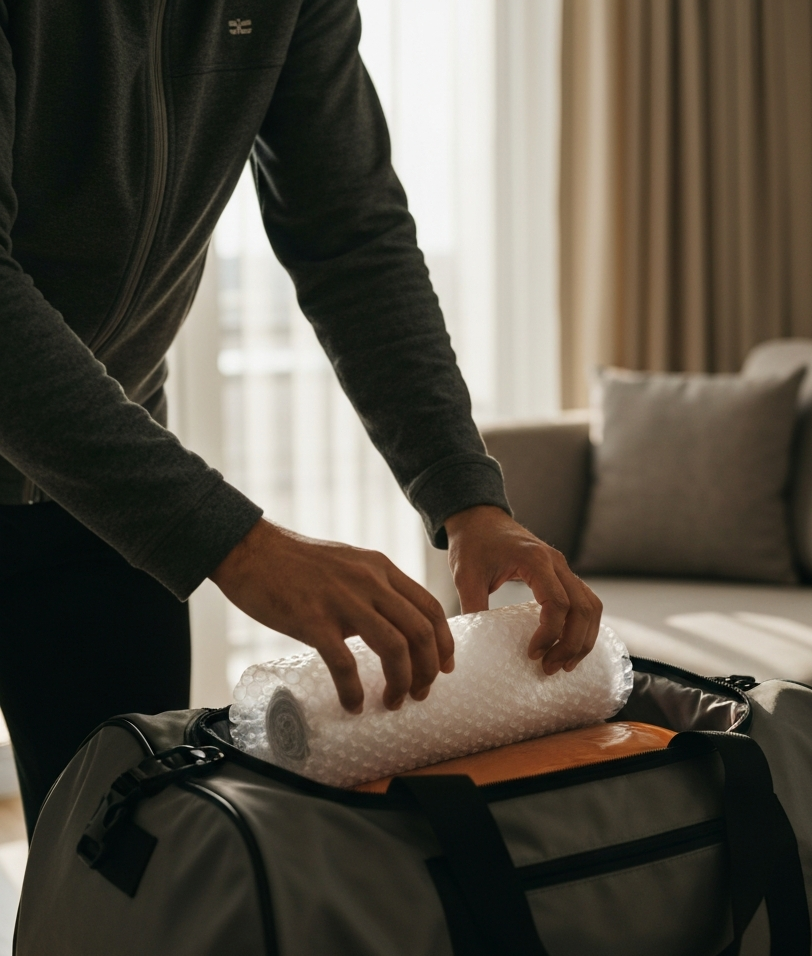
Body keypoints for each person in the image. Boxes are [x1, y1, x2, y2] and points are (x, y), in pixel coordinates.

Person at [0, 0, 601, 835]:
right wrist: (239, 544)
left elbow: (351, 238)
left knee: (119, 878)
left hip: (102, 501)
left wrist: (470, 500)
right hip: (112, 473)